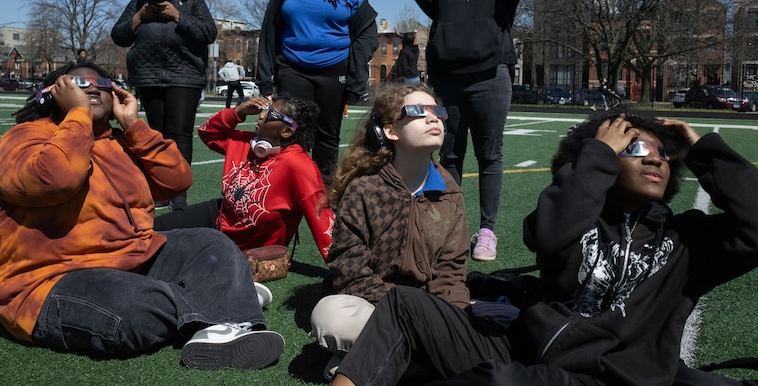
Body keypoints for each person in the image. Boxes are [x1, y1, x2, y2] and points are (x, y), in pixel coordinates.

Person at [329, 109, 758, 386]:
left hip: (604, 377)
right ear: (599, 159)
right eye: (635, 148)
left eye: (664, 153)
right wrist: (594, 158)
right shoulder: (574, 212)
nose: (655, 159)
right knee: (406, 304)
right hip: (524, 349)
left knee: (498, 383)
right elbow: (550, 235)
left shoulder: (686, 241)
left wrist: (702, 150)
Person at [0, 62, 284, 370]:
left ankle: (220, 315)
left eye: (102, 83)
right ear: (55, 93)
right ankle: (222, 299)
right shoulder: (24, 138)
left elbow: (177, 181)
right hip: (49, 281)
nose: (94, 87)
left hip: (130, 262)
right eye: (79, 83)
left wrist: (134, 126)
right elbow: (56, 179)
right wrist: (77, 116)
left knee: (211, 243)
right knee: (132, 310)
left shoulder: (121, 141)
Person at [311, 82, 470, 380]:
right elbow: (350, 269)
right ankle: (403, 358)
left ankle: (370, 360)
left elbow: (452, 269)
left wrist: (451, 317)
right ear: (390, 131)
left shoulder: (450, 193)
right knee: (330, 315)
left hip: (427, 311)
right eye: (417, 112)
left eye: (437, 112)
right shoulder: (364, 188)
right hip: (373, 305)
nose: (433, 118)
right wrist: (403, 309)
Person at [408, 0, 539, 262]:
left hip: (490, 75)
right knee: (449, 154)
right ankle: (451, 228)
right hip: (446, 77)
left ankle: (487, 231)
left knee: (489, 154)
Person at [154, 94, 334, 261]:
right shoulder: (246, 142)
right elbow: (206, 132)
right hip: (220, 215)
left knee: (172, 255)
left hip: (250, 249)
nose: (262, 115)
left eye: (271, 113)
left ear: (286, 131)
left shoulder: (299, 165)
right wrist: (238, 112)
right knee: (151, 229)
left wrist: (344, 269)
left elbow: (321, 218)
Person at [257, 0, 379, 180]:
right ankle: (290, 185)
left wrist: (354, 68)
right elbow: (269, 31)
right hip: (292, 67)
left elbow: (367, 33)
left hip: (334, 69)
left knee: (327, 134)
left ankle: (324, 192)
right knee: (290, 130)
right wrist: (265, 79)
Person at [111, 0, 217, 209]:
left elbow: (208, 33)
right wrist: (138, 18)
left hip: (185, 75)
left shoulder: (194, 2)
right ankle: (158, 189)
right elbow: (119, 35)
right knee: (156, 134)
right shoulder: (139, 2)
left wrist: (178, 16)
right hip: (148, 77)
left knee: (179, 133)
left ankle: (178, 194)